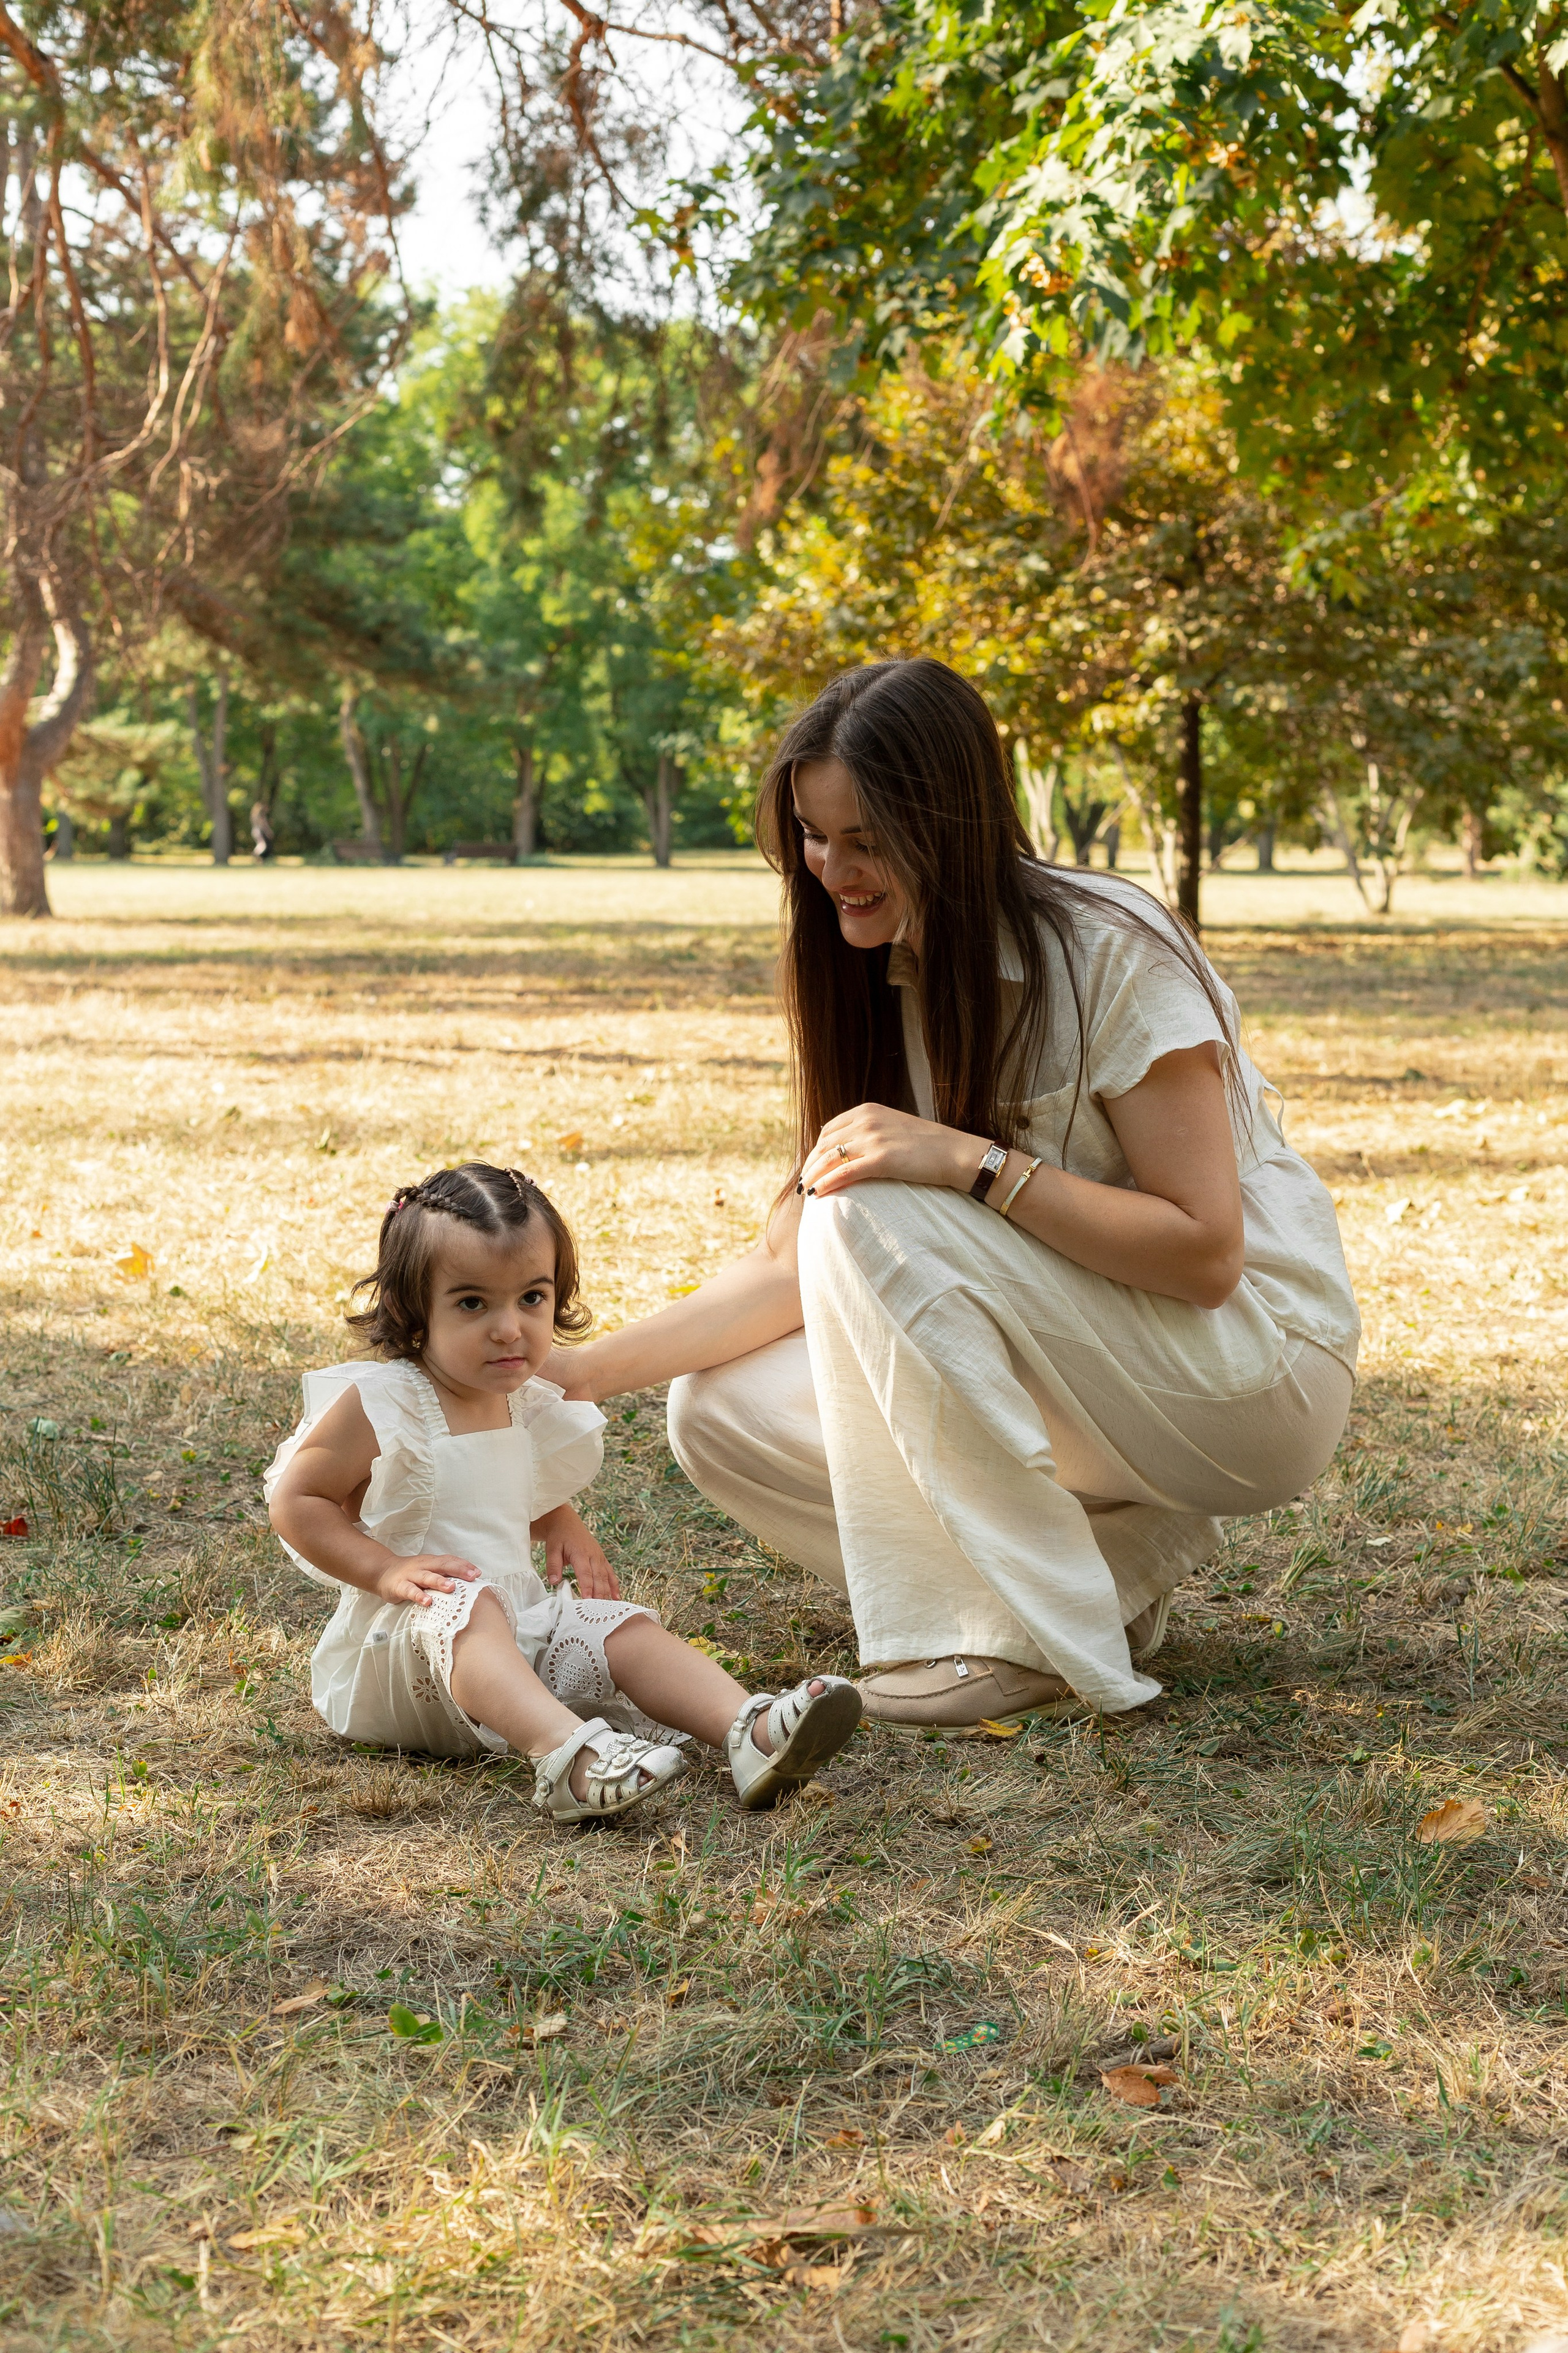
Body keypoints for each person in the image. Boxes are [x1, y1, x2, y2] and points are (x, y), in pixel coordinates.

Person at [545, 660, 1360, 1734]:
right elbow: (803, 1266)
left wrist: (970, 1162)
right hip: (1089, 1369)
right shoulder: (863, 969)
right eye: (812, 833)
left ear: (953, 825)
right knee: (721, 1409)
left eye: (866, 840)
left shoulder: (1110, 949)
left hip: (1251, 1378)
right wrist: (567, 1379)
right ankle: (1093, 1589)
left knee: (871, 1202)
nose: (832, 868)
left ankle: (1025, 1644)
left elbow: (1206, 1256)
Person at [265, 1163, 862, 1822]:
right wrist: (386, 1569)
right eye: (472, 1304)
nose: (508, 1328)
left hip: (505, 1642)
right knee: (472, 1607)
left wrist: (558, 1521)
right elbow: (299, 1501)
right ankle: (565, 1759)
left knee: (618, 1628)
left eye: (531, 1298)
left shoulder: (520, 1397)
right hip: (408, 1654)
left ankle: (747, 1729)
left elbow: (498, 1475)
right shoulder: (384, 1402)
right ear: (412, 1309)